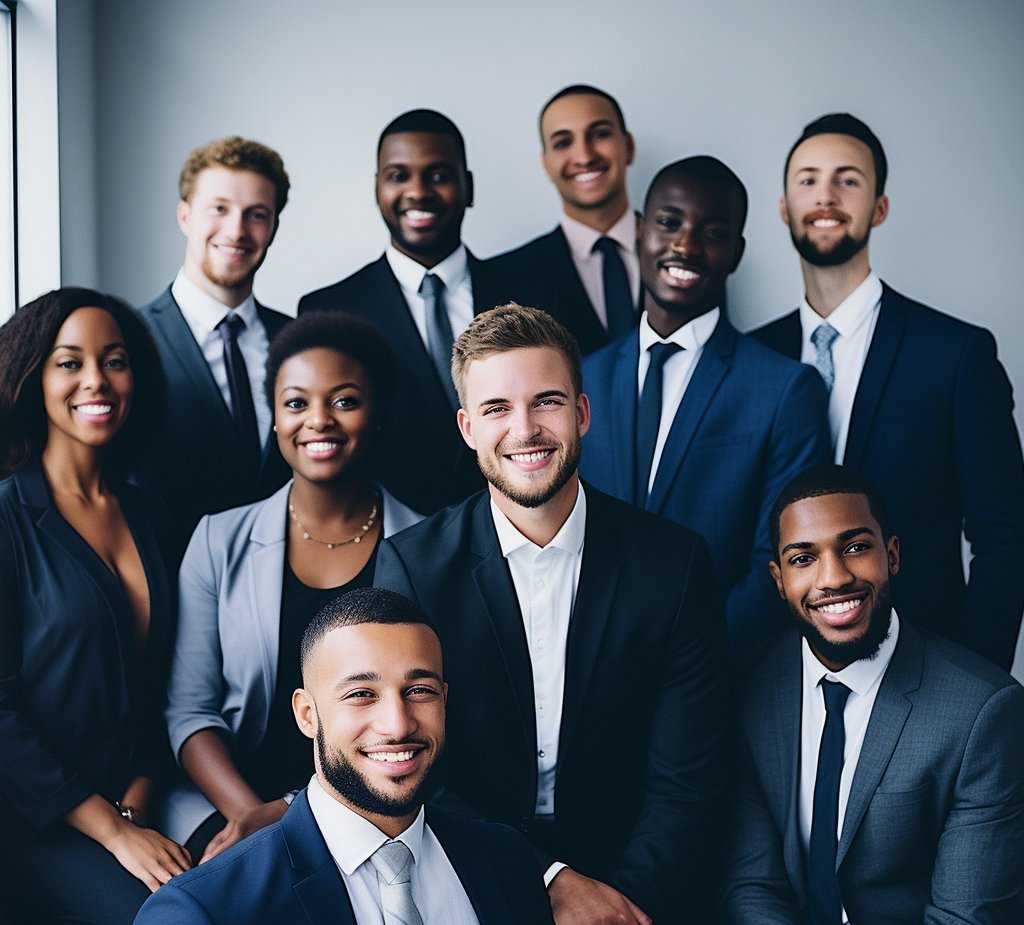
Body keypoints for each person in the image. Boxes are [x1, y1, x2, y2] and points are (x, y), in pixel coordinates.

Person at [374, 303, 728, 925]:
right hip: (466, 870)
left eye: (547, 403)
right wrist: (551, 885)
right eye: (497, 407)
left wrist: (617, 923)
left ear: (584, 413)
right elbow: (410, 768)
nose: (526, 429)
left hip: (641, 885)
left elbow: (688, 783)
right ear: (468, 428)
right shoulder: (410, 569)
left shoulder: (675, 564)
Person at [118, 588, 594, 925]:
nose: (396, 724)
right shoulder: (199, 917)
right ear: (307, 714)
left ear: (445, 700)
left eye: (419, 690)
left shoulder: (506, 863)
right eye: (361, 694)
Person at [722, 463, 1024, 925]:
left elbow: (967, 923)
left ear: (893, 555)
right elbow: (750, 883)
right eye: (804, 558)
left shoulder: (985, 709)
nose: (833, 578)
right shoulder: (746, 692)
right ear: (777, 579)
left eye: (855, 548)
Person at [751, 113, 1024, 671]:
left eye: (848, 179)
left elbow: (1005, 535)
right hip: (771, 670)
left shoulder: (955, 354)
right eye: (807, 179)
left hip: (923, 657)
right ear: (783, 206)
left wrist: (978, 683)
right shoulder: (750, 358)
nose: (825, 194)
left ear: (879, 206)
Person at [159, 313, 423, 859]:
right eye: (297, 403)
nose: (318, 421)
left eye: (345, 401)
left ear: (376, 416)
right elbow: (190, 712)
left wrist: (288, 812)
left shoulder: (427, 546)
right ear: (275, 419)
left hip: (376, 802)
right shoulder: (217, 541)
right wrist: (251, 815)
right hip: (227, 803)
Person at [0, 288, 191, 925]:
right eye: (69, 362)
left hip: (124, 800)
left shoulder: (148, 512)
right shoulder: (10, 517)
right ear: (32, 377)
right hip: (31, 817)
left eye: (114, 362)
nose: (96, 381)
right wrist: (113, 832)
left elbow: (153, 687)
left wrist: (135, 803)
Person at [581, 157, 831, 648]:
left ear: (736, 253)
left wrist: (688, 661)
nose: (686, 245)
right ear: (639, 231)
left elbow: (779, 558)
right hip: (588, 667)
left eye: (712, 232)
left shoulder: (784, 388)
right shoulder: (582, 376)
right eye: (669, 223)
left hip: (719, 674)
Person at [299, 109, 554, 516]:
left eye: (438, 175)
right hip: (387, 537)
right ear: (378, 187)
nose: (418, 191)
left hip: (519, 525)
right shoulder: (328, 311)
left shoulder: (532, 297)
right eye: (399, 175)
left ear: (468, 187)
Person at [136, 136, 293, 559]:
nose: (237, 230)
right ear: (185, 215)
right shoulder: (128, 340)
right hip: (167, 582)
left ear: (274, 226)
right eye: (219, 208)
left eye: (256, 214)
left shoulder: (297, 342)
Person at [491, 85, 640, 356]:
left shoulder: (685, 249)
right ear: (546, 163)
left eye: (600, 134)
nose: (584, 156)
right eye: (563, 142)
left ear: (628, 147)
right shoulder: (507, 276)